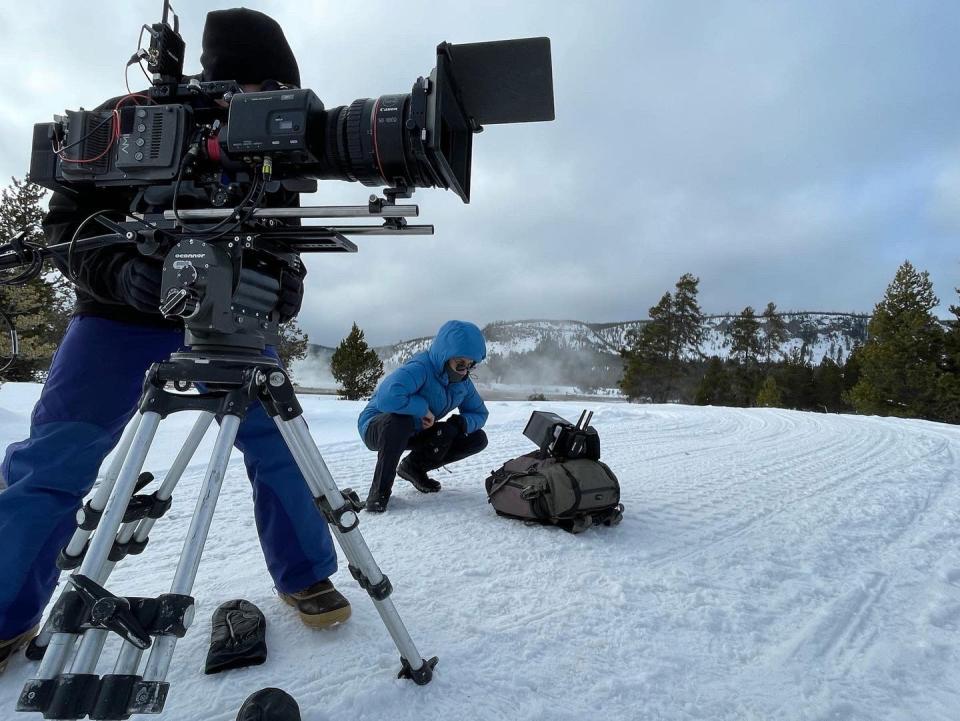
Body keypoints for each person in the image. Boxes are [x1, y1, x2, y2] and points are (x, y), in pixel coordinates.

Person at [0, 9, 350, 673]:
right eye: (256, 91)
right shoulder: (126, 117)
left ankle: (304, 570)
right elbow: (64, 223)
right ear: (217, 81)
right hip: (116, 316)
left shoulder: (276, 136)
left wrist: (285, 283)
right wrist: (119, 271)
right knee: (55, 458)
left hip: (231, 317)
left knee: (282, 446)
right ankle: (5, 611)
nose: (264, 108)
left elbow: (284, 235)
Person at [358, 320, 489, 512]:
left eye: (470, 365)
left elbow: (479, 413)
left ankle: (413, 467)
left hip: (415, 430)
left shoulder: (462, 383)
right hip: (377, 426)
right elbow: (387, 397)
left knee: (477, 438)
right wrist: (423, 409)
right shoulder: (420, 367)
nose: (465, 371)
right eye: (460, 364)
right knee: (399, 422)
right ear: (445, 356)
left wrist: (459, 423)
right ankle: (379, 494)